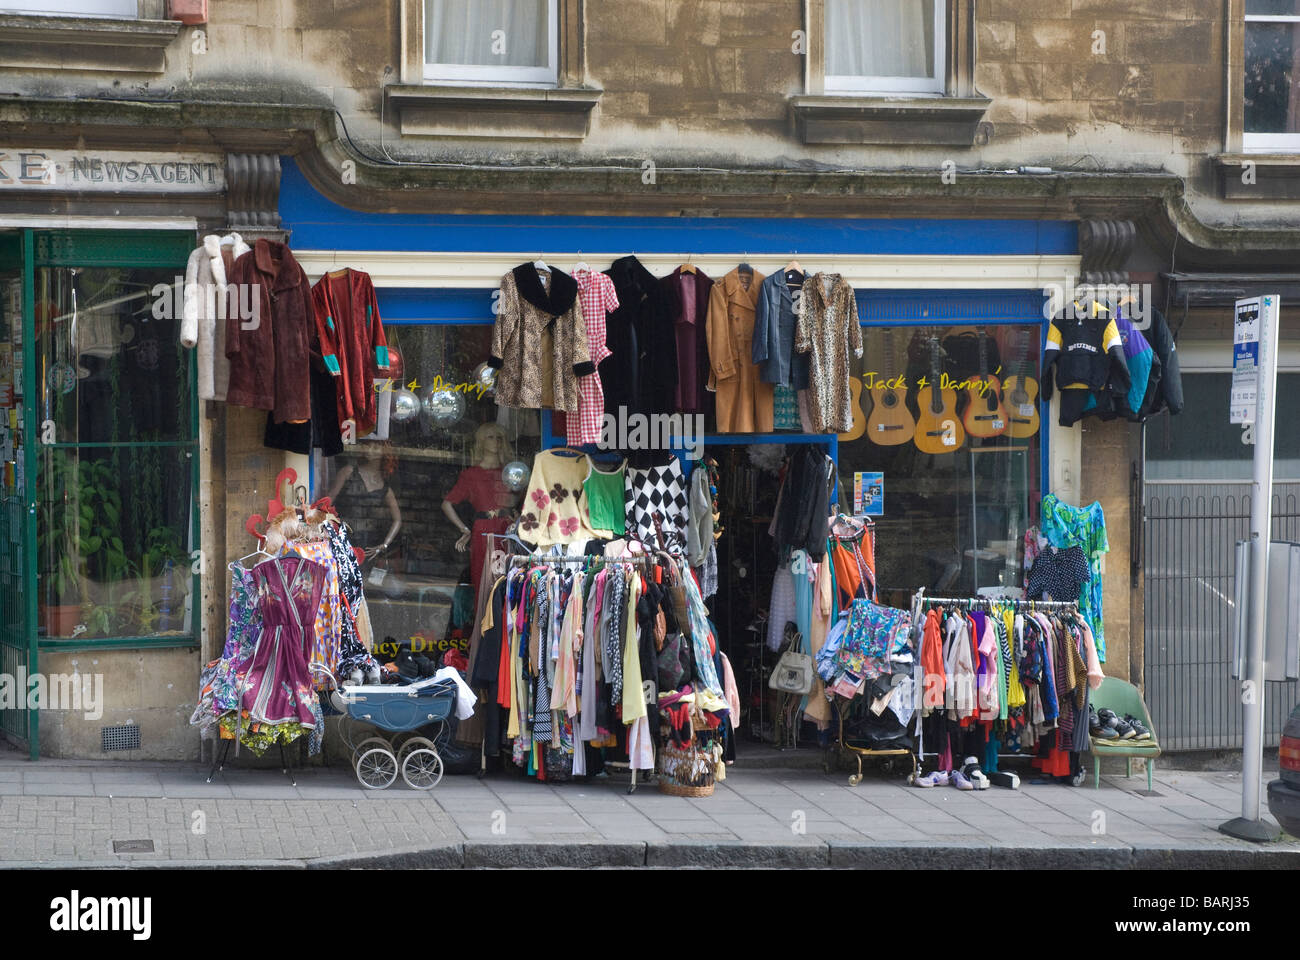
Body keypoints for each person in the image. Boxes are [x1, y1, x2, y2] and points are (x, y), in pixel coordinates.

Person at [442, 423, 520, 597]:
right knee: (483, 580)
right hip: (484, 532)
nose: (496, 442)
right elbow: (447, 504)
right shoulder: (471, 475)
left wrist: (519, 518)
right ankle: (483, 622)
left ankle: (500, 622)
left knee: (504, 580)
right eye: (490, 437)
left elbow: (521, 498)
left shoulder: (509, 472)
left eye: (499, 437)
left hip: (505, 531)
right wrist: (464, 529)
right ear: (481, 442)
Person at [327, 446, 402, 563]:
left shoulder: (385, 488)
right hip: (342, 537)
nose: (369, 449)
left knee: (362, 578)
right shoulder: (348, 472)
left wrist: (385, 545)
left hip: (368, 545)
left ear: (385, 453)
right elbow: (327, 502)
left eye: (375, 447)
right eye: (367, 445)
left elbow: (397, 519)